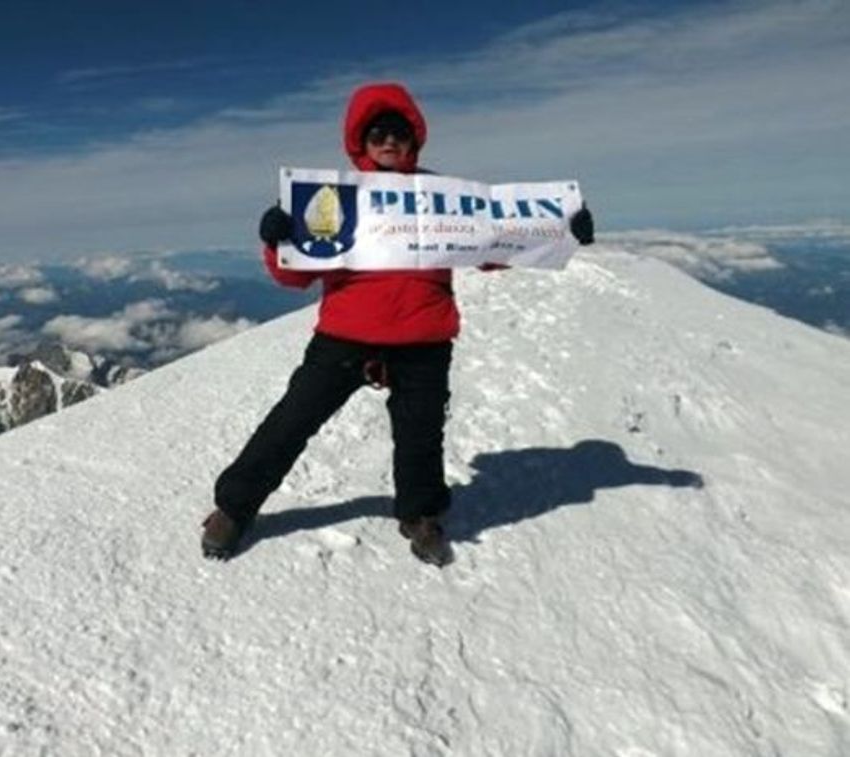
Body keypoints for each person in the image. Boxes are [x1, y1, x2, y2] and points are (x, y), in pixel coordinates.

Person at [201, 82, 594, 566]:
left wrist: (561, 233)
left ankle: (421, 513)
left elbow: (495, 246)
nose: (389, 141)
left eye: (399, 133)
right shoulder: (337, 198)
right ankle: (234, 507)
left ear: (415, 140)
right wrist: (277, 239)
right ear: (360, 143)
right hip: (343, 336)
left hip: (423, 339)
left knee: (420, 436)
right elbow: (293, 274)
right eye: (377, 133)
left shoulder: (441, 197)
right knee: (289, 423)